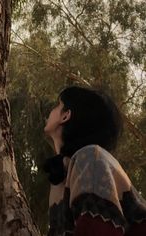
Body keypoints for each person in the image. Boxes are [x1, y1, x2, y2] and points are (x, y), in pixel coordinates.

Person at [43, 86, 146, 236]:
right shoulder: (63, 177)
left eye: (57, 105)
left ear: (66, 115)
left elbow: (96, 229)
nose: (50, 111)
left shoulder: (91, 158)